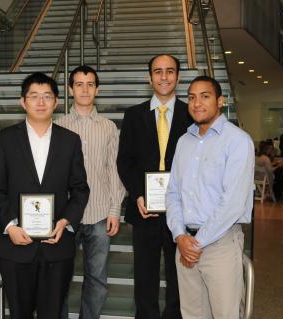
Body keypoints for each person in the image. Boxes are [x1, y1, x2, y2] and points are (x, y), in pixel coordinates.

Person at [0, 72, 90, 319]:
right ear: (23, 102)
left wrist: (66, 222)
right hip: (16, 246)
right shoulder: (3, 140)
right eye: (34, 96)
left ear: (56, 102)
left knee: (52, 313)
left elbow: (80, 189)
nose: (41, 102)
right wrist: (10, 226)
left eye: (47, 96)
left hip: (56, 246)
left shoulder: (70, 141)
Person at [166, 76, 254, 318]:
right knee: (192, 314)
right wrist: (180, 235)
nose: (197, 103)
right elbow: (173, 193)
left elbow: (233, 202)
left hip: (220, 244)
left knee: (225, 314)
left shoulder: (237, 141)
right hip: (185, 244)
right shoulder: (184, 142)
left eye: (205, 96)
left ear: (220, 101)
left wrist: (195, 243)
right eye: (192, 97)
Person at [117, 54, 192, 319]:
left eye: (170, 71)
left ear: (178, 77)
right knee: (145, 276)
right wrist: (137, 194)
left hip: (181, 211)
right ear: (149, 78)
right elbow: (124, 161)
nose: (164, 76)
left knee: (179, 276)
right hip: (144, 208)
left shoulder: (191, 113)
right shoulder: (134, 115)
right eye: (158, 71)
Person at [55, 65, 125, 318]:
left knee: (97, 279)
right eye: (79, 84)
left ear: (98, 89)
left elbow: (114, 170)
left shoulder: (108, 127)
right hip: (65, 216)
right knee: (60, 277)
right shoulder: (58, 125)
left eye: (90, 84)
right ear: (70, 89)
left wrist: (115, 210)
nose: (85, 89)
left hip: (99, 214)